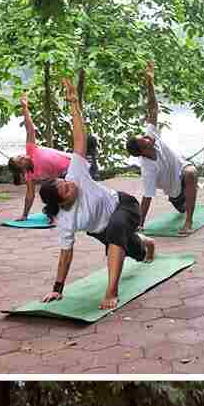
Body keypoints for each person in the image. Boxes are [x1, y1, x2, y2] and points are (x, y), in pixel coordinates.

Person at [40, 77, 155, 310]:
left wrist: (74, 105)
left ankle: (111, 290)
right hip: (102, 231)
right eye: (66, 189)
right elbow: (65, 254)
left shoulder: (76, 174)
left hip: (123, 206)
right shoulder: (64, 220)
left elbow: (79, 139)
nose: (71, 185)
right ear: (61, 203)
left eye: (66, 182)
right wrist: (57, 288)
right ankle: (146, 245)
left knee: (117, 229)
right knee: (136, 251)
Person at [127, 62, 199, 235]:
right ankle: (184, 206)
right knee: (181, 206)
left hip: (183, 171)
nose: (146, 138)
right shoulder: (148, 168)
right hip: (175, 194)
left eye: (144, 136)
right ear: (142, 151)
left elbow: (153, 108)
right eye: (143, 141)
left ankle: (188, 222)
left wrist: (150, 82)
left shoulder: (152, 136)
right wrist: (140, 223)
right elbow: (147, 196)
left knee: (191, 173)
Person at [7, 91, 72, 222]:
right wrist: (25, 215)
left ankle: (58, 212)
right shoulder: (30, 176)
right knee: (47, 191)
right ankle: (52, 214)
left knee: (55, 186)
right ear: (22, 169)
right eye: (20, 160)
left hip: (73, 163)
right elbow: (30, 196)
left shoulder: (31, 150)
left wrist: (25, 109)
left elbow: (30, 129)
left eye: (20, 155)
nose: (22, 156)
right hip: (65, 176)